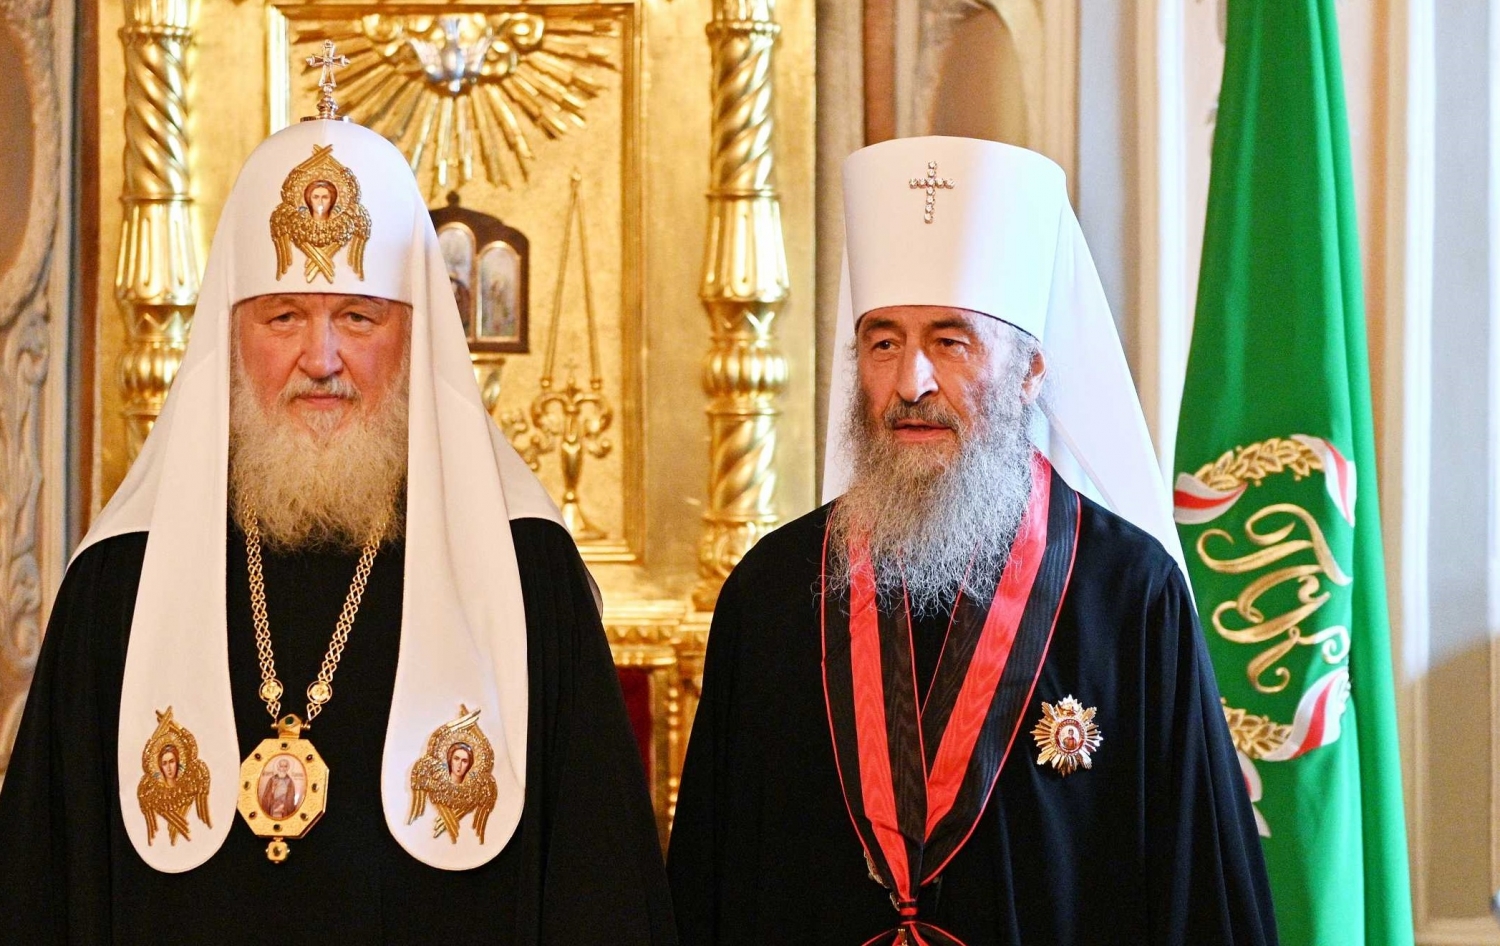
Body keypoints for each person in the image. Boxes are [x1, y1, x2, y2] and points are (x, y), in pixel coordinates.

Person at [0, 80, 674, 944]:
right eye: (284, 316)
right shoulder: (119, 584)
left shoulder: (522, 571)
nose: (321, 358)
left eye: (357, 317)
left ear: (416, 337)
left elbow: (596, 888)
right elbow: (45, 890)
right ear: (230, 336)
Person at [667, 137, 1277, 945]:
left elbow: (1197, 896)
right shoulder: (772, 592)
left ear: (1030, 373)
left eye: (949, 343)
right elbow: (708, 892)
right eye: (884, 343)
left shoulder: (1130, 595)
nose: (911, 383)